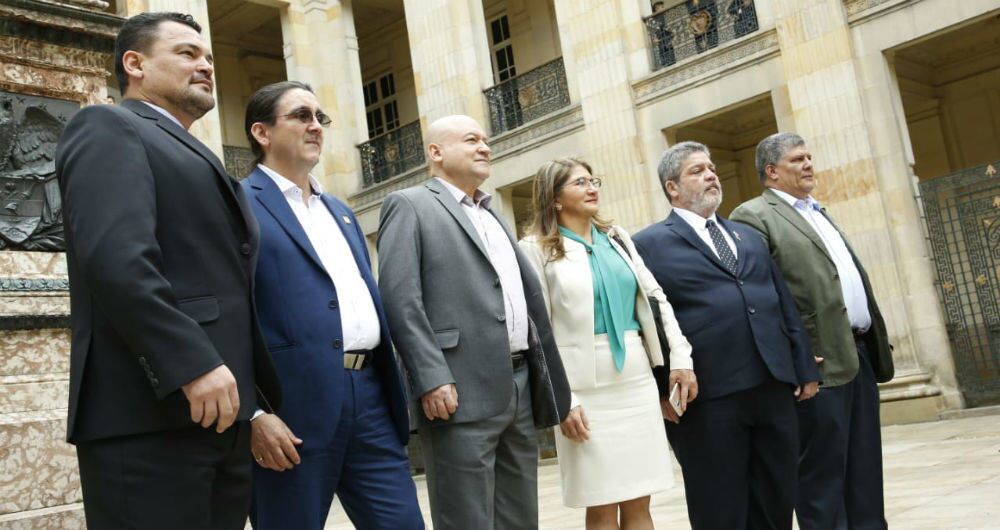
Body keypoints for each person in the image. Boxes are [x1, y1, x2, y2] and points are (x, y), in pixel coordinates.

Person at [55, 12, 281, 529]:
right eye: (186, 54)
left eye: (207, 57)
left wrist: (255, 405)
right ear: (134, 64)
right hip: (148, 416)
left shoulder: (192, 150)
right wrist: (190, 363)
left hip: (220, 421)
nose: (205, 65)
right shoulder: (108, 125)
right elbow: (117, 260)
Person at [239, 81, 423, 530]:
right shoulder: (238, 203)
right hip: (291, 409)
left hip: (371, 397)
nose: (315, 126)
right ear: (262, 133)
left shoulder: (340, 210)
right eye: (301, 116)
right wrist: (253, 414)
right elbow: (227, 313)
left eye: (320, 118)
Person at [377, 114, 572, 530]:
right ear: (436, 152)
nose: (485, 147)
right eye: (471, 140)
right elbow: (400, 299)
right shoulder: (410, 204)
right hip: (457, 391)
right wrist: (431, 376)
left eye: (485, 140)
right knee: (467, 519)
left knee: (520, 518)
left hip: (517, 385)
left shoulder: (491, 211)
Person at [632, 141, 820, 530]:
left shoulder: (746, 236)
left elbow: (781, 302)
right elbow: (645, 322)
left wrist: (803, 366)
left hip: (771, 386)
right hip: (708, 399)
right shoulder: (647, 244)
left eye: (712, 168)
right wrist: (659, 389)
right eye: (697, 171)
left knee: (776, 501)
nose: (711, 175)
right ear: (672, 187)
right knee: (720, 508)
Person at [518, 158, 697, 530]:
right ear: (554, 199)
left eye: (593, 180)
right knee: (600, 506)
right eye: (579, 183)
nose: (591, 187)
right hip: (583, 389)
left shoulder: (617, 237)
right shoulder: (535, 248)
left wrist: (680, 358)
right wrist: (563, 400)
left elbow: (655, 298)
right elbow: (538, 330)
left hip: (635, 379)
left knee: (639, 500)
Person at [731, 132, 894, 530]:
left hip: (858, 357)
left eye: (809, 157)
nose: (808, 164)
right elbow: (759, 297)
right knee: (822, 480)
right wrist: (796, 355)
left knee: (865, 471)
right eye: (797, 160)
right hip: (817, 365)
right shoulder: (753, 216)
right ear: (771, 171)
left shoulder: (817, 210)